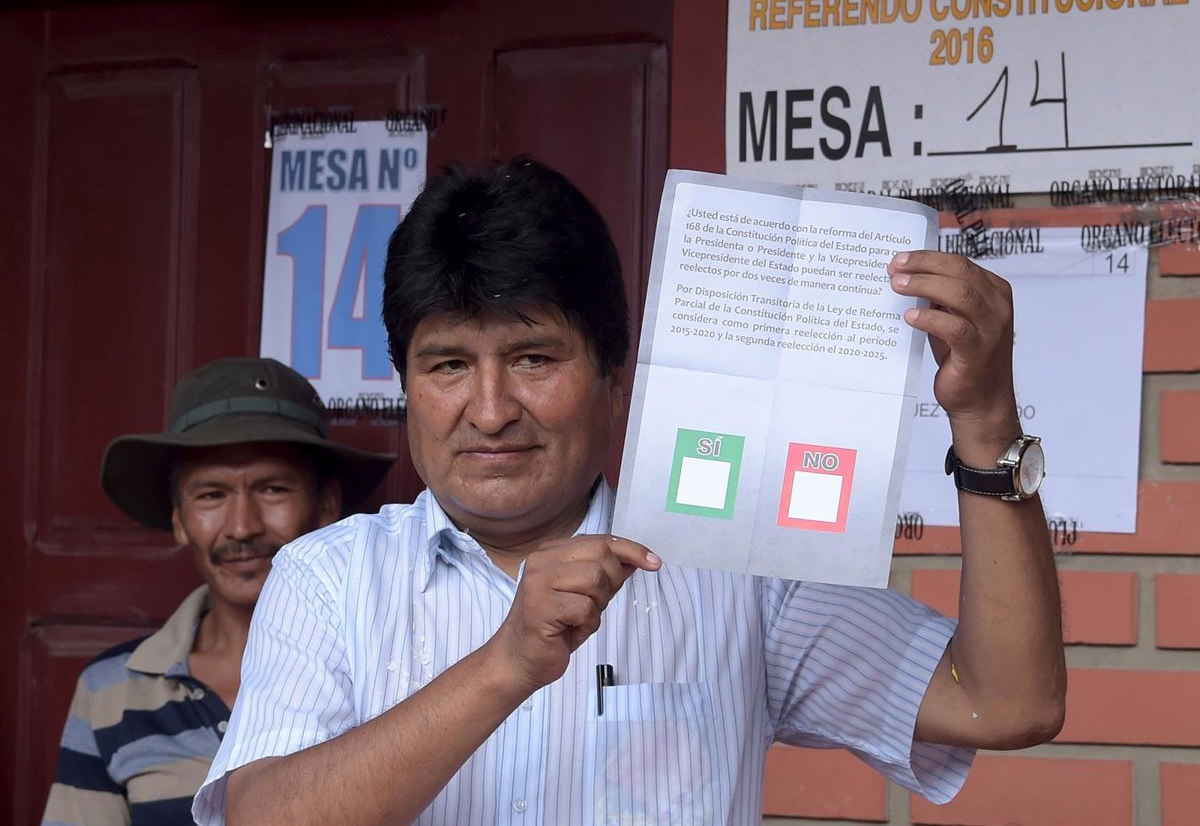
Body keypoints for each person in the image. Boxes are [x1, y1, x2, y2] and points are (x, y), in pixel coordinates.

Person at [194, 160, 1066, 825]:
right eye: (449, 365)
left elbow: (1010, 702)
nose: (490, 410)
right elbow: (259, 816)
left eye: (534, 358)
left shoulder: (735, 572)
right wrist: (505, 665)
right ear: (406, 386)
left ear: (616, 381)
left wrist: (986, 419)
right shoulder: (327, 577)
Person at [42, 357, 395, 825]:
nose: (243, 527)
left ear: (326, 505)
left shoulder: (392, 668)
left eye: (273, 489)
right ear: (179, 519)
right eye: (211, 495)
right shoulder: (113, 689)